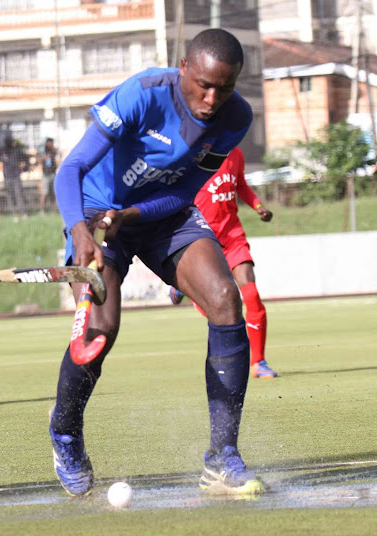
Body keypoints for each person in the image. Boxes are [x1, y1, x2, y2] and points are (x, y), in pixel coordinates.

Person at [50, 29, 266, 498]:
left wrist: (134, 214)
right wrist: (78, 228)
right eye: (203, 85)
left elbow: (187, 191)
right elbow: (71, 169)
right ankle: (65, 434)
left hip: (163, 214)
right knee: (99, 332)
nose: (211, 99)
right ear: (183, 67)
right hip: (95, 213)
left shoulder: (236, 117)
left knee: (226, 298)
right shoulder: (143, 93)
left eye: (223, 88)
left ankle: (222, 459)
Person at [169, 148, 278, 379]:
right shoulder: (192, 153)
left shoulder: (236, 153)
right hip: (203, 238)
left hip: (233, 236)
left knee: (251, 294)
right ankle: (184, 285)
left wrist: (259, 206)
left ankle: (258, 362)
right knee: (220, 304)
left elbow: (240, 186)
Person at [0, 134, 28, 216]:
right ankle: (14, 213)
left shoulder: (16, 150)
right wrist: (1, 159)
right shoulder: (3, 150)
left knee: (19, 194)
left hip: (16, 175)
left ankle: (23, 212)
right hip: (7, 176)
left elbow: (25, 158)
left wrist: (24, 167)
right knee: (10, 195)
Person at [39, 137, 59, 214]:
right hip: (45, 174)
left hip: (53, 173)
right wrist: (45, 158)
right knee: (44, 193)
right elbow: (38, 159)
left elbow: (57, 156)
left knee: (54, 193)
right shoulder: (42, 150)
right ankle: (42, 210)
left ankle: (54, 209)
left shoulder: (53, 151)